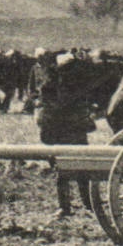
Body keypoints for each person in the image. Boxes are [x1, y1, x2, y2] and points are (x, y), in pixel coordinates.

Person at [39, 53, 94, 217]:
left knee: (73, 169)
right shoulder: (56, 86)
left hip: (67, 131)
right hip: (68, 131)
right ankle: (78, 205)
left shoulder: (56, 85)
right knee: (72, 170)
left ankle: (76, 205)